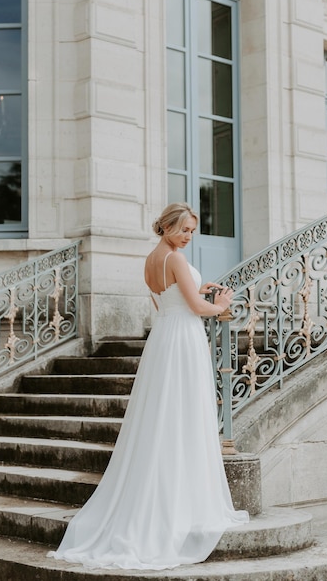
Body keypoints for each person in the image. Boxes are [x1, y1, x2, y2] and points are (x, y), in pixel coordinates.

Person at [48, 202, 249, 571]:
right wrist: (220, 303)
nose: (190, 236)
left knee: (164, 415)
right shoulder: (173, 258)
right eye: (185, 229)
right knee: (183, 414)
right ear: (169, 226)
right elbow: (195, 307)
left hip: (164, 337)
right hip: (184, 338)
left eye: (192, 230)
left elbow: (167, 300)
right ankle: (180, 504)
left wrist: (196, 287)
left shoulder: (152, 258)